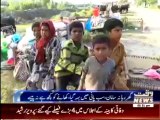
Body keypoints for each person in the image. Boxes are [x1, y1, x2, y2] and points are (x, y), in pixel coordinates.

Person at [54, 21, 89, 90]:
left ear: (83, 33)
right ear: (70, 33)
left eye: (80, 31)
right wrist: (80, 70)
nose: (77, 33)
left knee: (84, 86)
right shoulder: (67, 45)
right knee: (61, 95)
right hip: (62, 73)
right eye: (74, 31)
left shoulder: (85, 49)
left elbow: (87, 62)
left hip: (74, 74)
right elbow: (65, 63)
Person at [27, 20, 61, 90]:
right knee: (30, 83)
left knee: (45, 84)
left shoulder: (54, 41)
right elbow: (37, 61)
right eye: (42, 30)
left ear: (50, 30)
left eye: (46, 30)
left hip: (53, 70)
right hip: (42, 69)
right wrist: (34, 73)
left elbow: (54, 60)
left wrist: (49, 74)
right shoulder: (40, 42)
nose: (43, 32)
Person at [103, 18, 129, 90]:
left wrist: (115, 74)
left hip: (113, 76)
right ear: (108, 32)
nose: (120, 33)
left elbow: (120, 64)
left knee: (126, 92)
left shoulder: (121, 47)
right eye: (117, 30)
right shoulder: (99, 46)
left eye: (121, 30)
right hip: (98, 77)